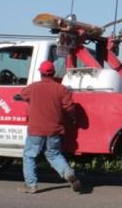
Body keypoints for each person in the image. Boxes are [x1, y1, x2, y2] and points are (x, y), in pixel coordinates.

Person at [14, 60, 81, 193]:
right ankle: (68, 173)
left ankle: (31, 185)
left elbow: (22, 94)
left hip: (36, 130)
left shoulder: (32, 88)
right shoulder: (61, 89)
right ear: (53, 73)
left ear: (40, 73)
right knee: (54, 154)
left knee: (29, 155)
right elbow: (70, 107)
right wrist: (73, 118)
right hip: (54, 130)